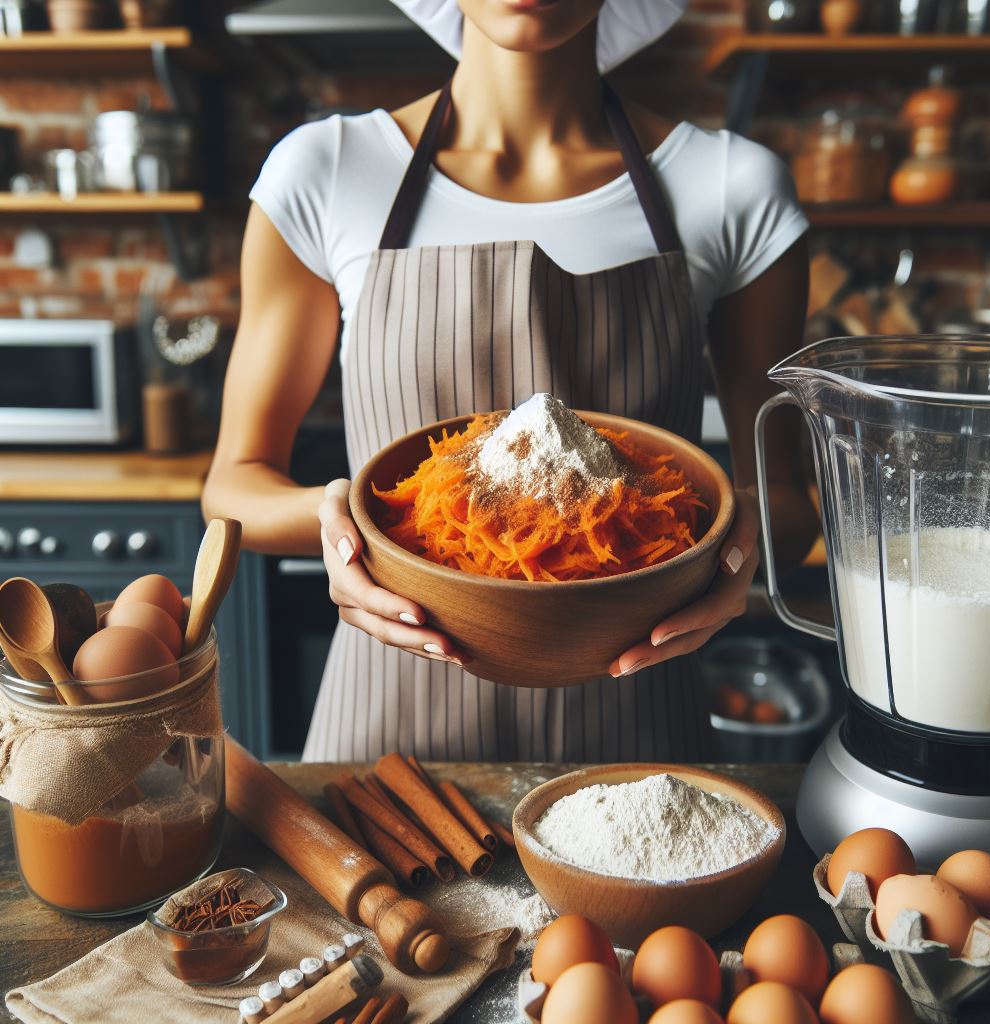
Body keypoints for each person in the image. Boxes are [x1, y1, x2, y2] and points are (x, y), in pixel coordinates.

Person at [202, 0, 819, 763]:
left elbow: (790, 506)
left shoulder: (731, 187)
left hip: (632, 738)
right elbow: (233, 483)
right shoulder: (328, 172)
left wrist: (740, 540)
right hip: (393, 739)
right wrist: (342, 522)